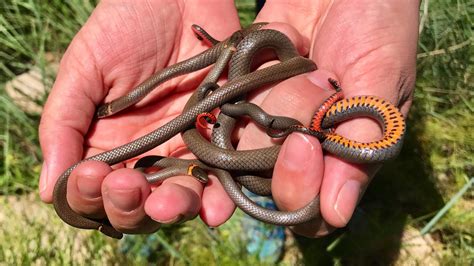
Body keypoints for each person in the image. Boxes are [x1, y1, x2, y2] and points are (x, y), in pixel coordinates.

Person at [38, 0, 418, 238]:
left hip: (253, 85)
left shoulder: (227, 76)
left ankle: (252, 187)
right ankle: (254, 194)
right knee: (266, 175)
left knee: (275, 158)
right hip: (236, 130)